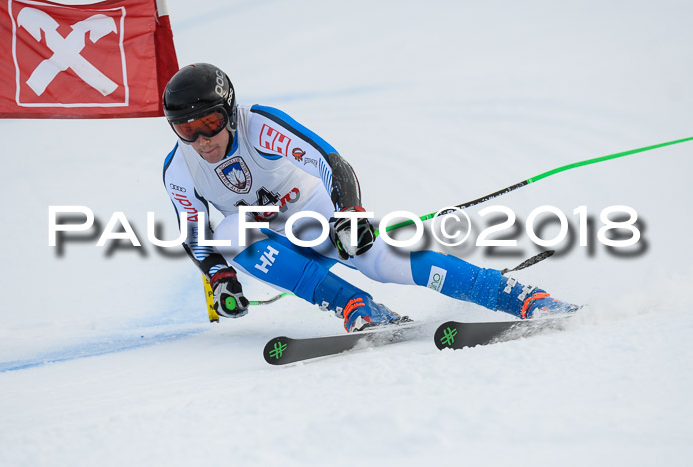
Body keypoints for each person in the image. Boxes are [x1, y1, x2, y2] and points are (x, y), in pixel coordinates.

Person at [162, 63, 577, 332]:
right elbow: (195, 233)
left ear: (229, 111)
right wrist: (220, 278)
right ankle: (356, 307)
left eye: (210, 122)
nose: (201, 139)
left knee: (382, 262)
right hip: (269, 241)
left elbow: (330, 161)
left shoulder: (258, 125)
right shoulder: (179, 169)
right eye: (186, 129)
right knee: (231, 232)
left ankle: (519, 297)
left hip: (316, 215)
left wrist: (349, 214)